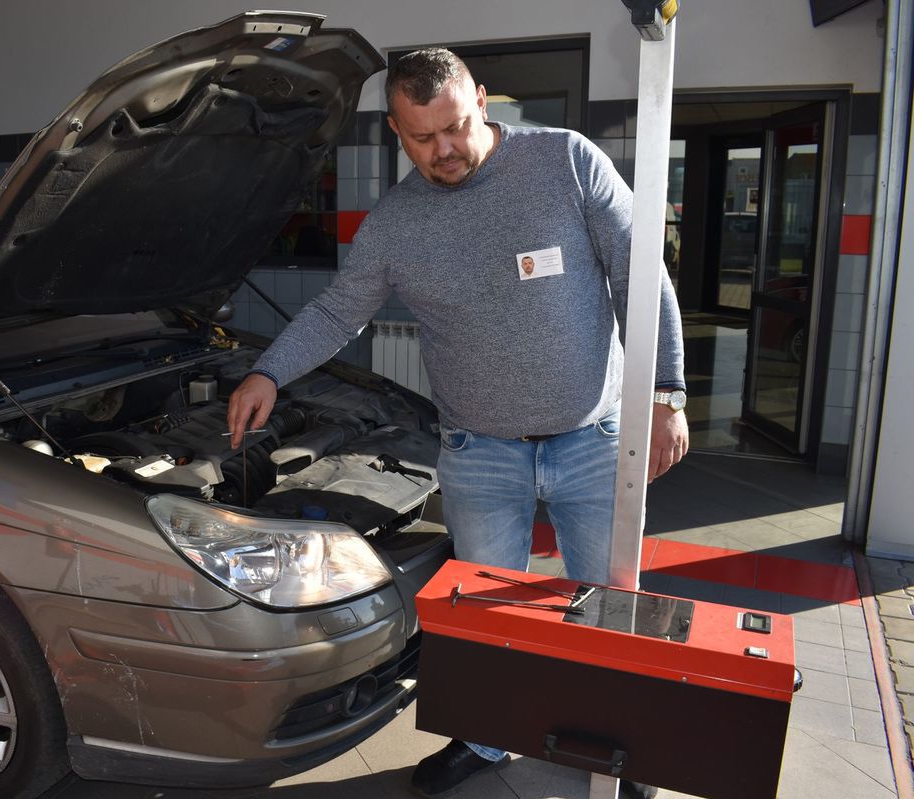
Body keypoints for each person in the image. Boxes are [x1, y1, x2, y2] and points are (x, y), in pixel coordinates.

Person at [227, 48, 687, 799]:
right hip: (481, 453)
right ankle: (485, 740)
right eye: (419, 138)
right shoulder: (397, 223)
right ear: (396, 133)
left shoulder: (566, 163)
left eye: (454, 127)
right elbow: (338, 310)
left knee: (608, 605)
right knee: (484, 618)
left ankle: (617, 748)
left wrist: (667, 391)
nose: (442, 150)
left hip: (592, 441)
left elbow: (642, 273)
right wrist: (267, 370)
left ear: (481, 98)